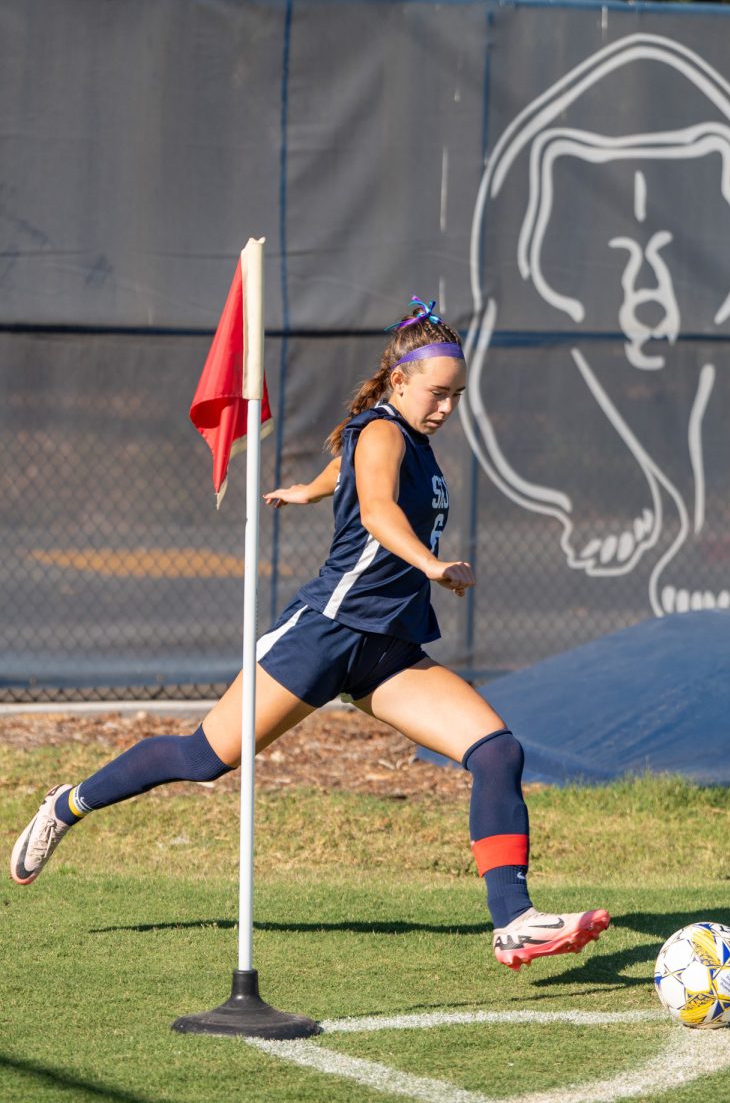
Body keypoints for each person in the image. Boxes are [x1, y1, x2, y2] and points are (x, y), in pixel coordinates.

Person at [10, 298, 609, 971]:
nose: (446, 407)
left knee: (496, 753)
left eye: (456, 396)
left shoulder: (397, 434)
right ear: (399, 380)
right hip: (324, 635)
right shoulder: (381, 431)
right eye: (437, 393)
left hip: (387, 650)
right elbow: (379, 507)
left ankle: (515, 922)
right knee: (205, 758)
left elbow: (351, 468)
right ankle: (67, 804)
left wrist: (312, 488)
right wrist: (432, 564)